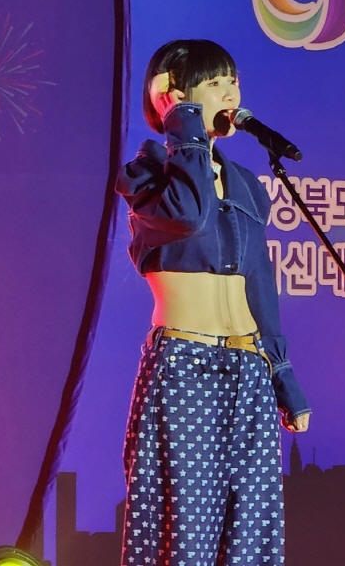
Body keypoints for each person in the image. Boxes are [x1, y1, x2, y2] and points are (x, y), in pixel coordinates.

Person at [115, 39, 311, 566]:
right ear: (173, 94)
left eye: (234, 82)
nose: (230, 93)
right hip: (186, 366)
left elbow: (259, 284)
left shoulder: (246, 184)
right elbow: (188, 215)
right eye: (215, 83)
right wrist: (182, 122)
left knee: (251, 536)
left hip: (248, 369)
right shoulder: (146, 174)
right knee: (185, 537)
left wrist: (283, 377)